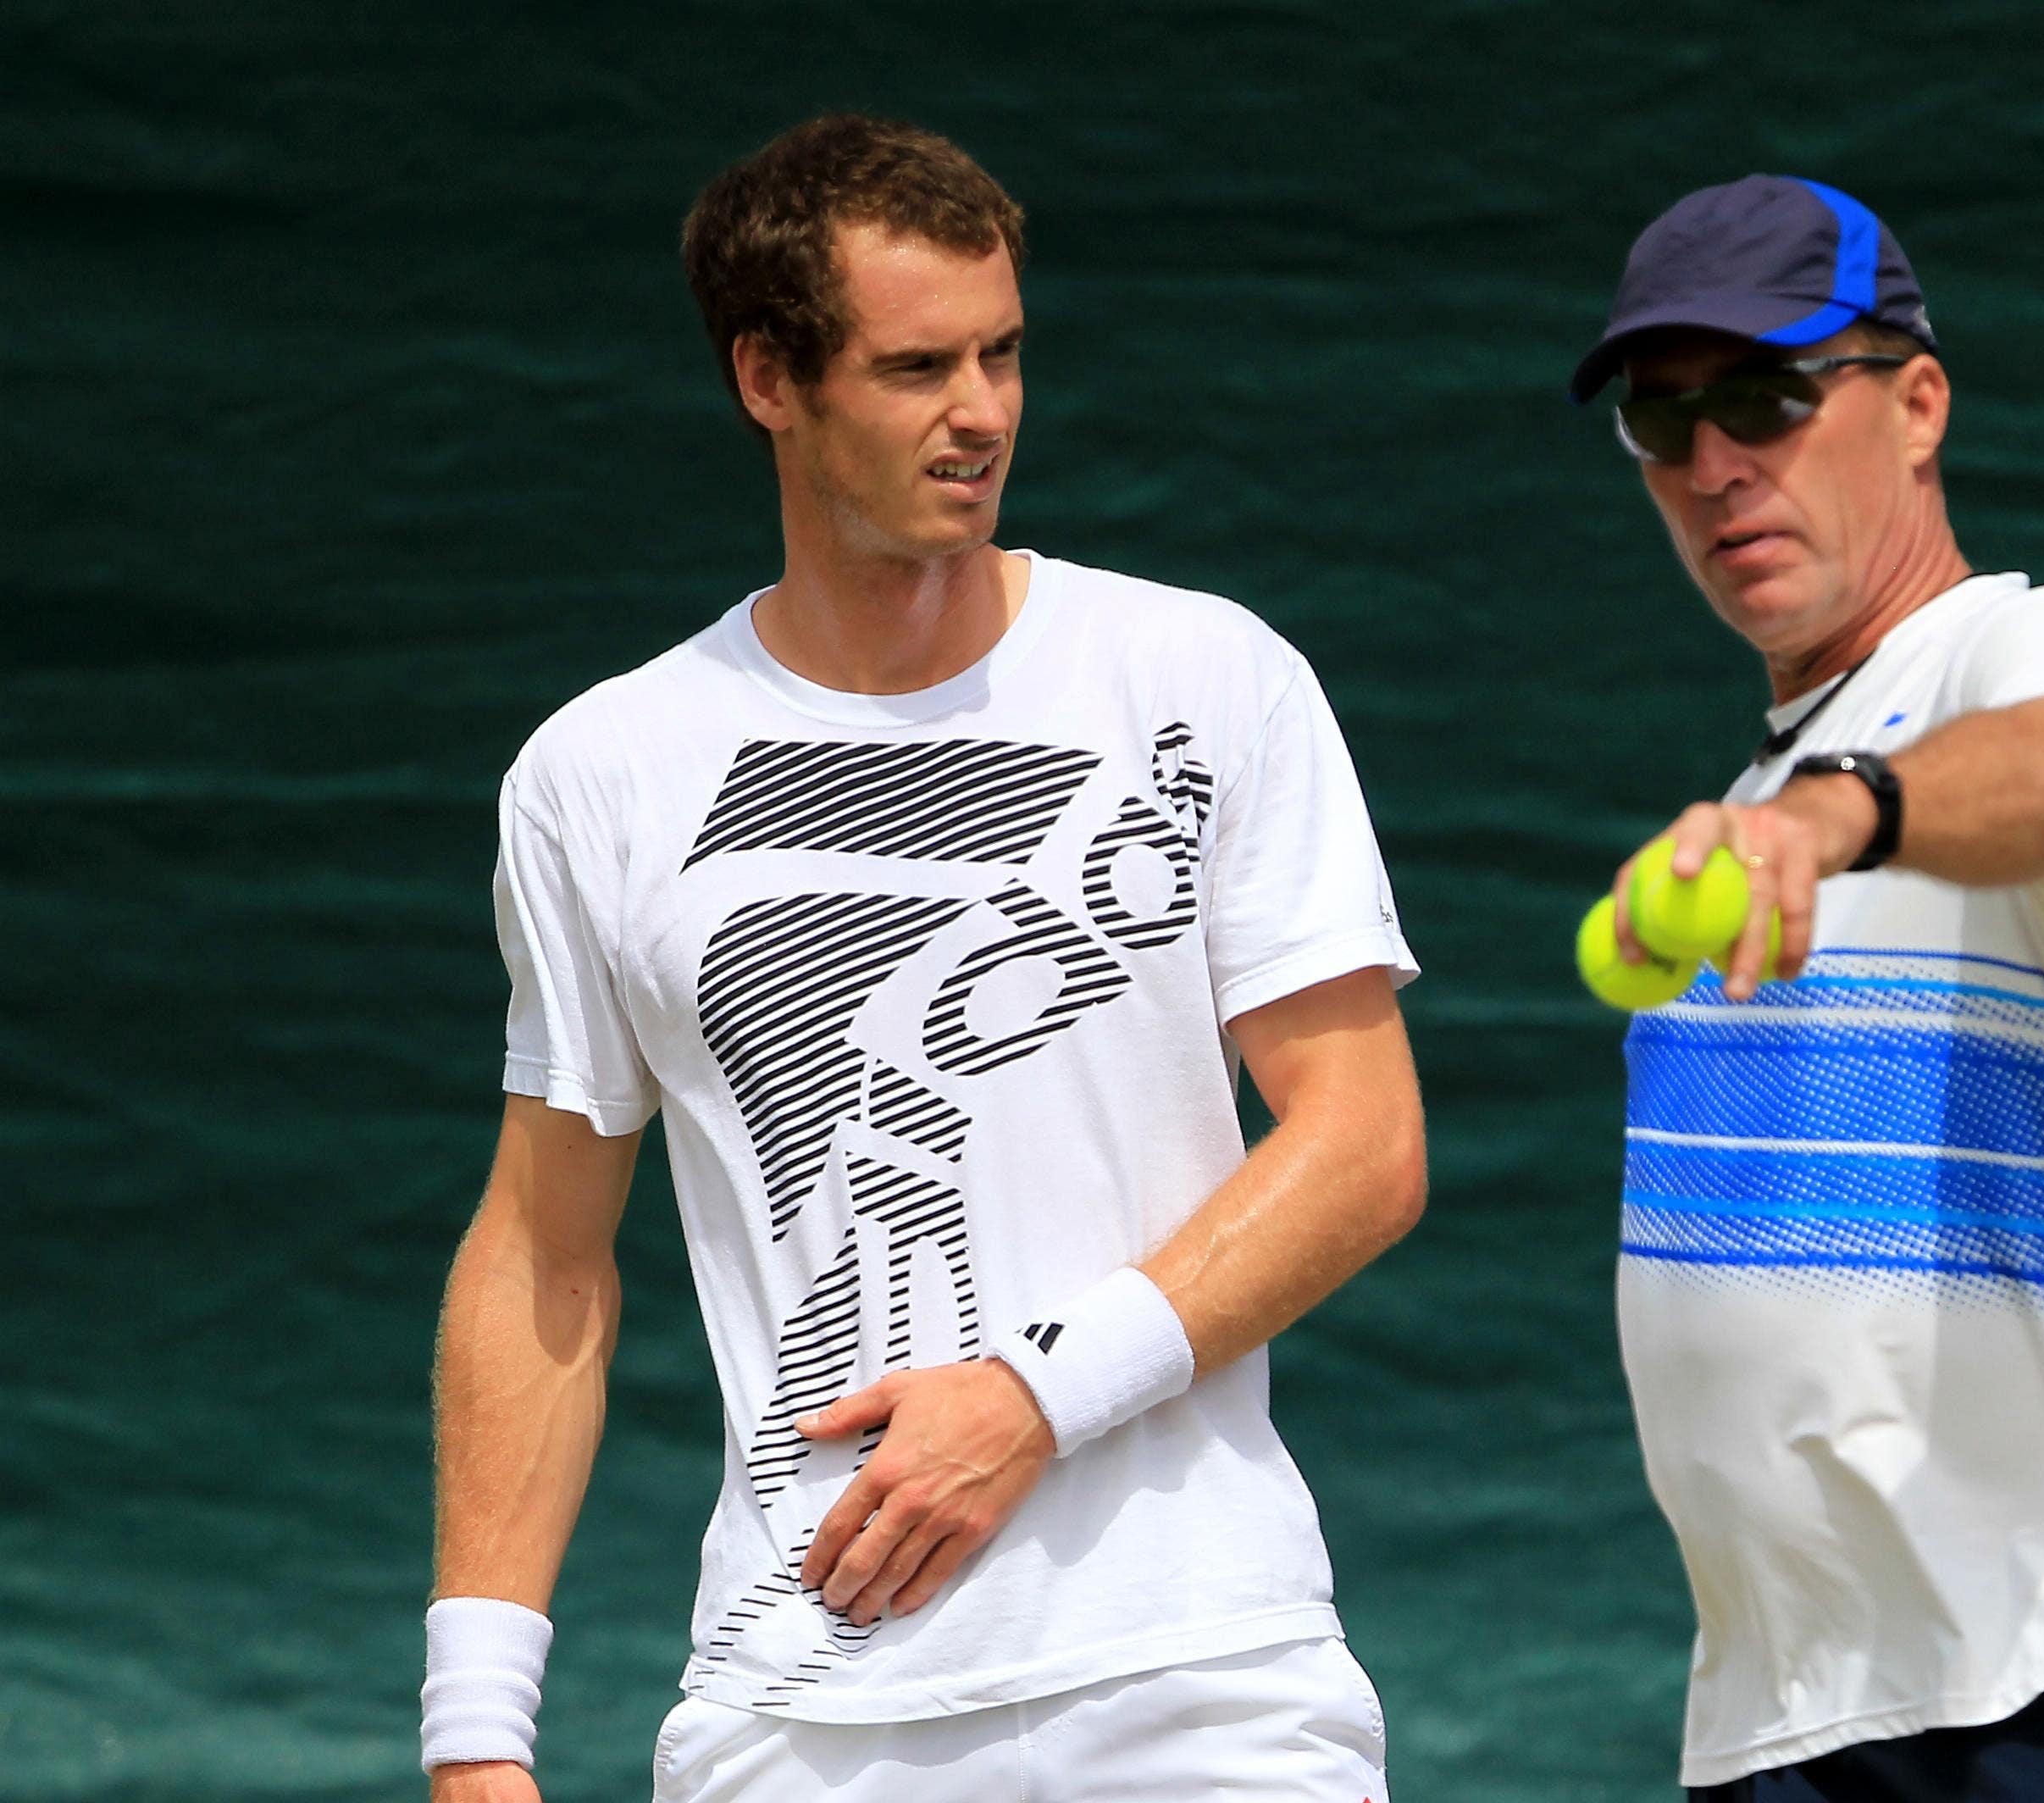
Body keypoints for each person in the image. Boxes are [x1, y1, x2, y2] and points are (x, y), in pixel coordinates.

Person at [423, 114, 1424, 1803]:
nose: (982, 413)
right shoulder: (601, 773)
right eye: (916, 368)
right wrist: (473, 1728)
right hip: (801, 1700)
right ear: (768, 379)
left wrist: (1037, 1393)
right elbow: (546, 1253)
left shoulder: (1205, 676)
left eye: (1004, 353)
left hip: (1206, 1677)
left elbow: (1364, 1143)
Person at [1572, 176, 2044, 1801]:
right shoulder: (1743, 828)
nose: (1714, 463)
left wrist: (1851, 807)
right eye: (1663, 421)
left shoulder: (2033, 650)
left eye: (1764, 397)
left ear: (1917, 407)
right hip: (1787, 1716)